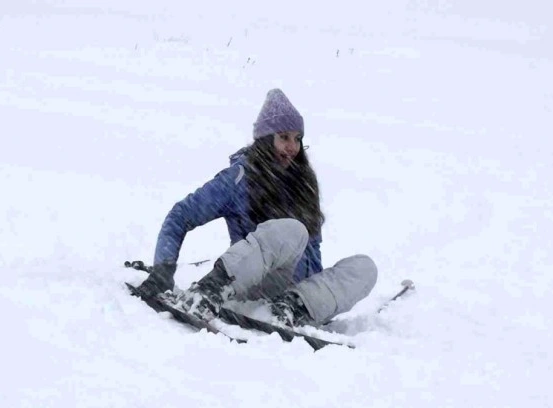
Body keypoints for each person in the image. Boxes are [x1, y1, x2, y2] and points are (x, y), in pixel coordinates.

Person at [134, 88, 378, 328]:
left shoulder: (304, 182)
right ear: (265, 138)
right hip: (251, 286)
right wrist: (162, 270)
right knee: (294, 230)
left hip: (295, 297)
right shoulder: (240, 177)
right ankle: (211, 289)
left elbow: (313, 252)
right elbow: (180, 216)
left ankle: (294, 307)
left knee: (365, 267)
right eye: (284, 137)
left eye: (297, 138)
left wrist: (320, 296)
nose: (292, 146)